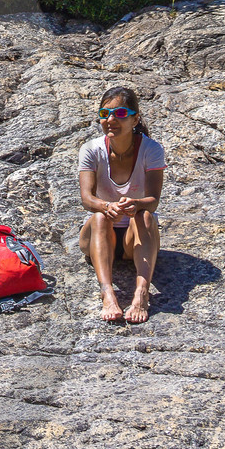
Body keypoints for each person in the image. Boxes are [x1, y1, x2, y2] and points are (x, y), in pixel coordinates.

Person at [77, 85, 165, 324]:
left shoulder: (151, 150)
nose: (111, 120)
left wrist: (136, 203)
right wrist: (106, 206)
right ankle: (108, 294)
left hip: (134, 241)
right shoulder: (91, 150)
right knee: (99, 216)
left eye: (121, 114)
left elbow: (153, 201)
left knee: (145, 215)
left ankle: (141, 293)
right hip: (98, 237)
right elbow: (87, 199)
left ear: (135, 118)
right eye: (105, 114)